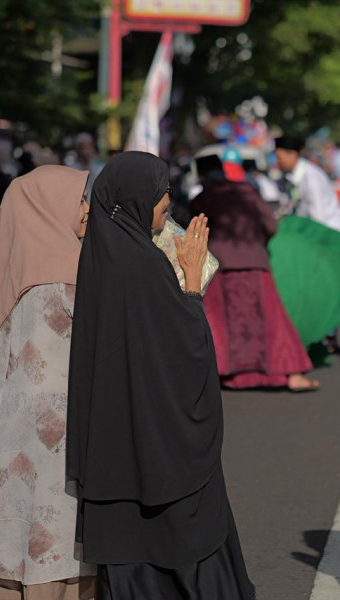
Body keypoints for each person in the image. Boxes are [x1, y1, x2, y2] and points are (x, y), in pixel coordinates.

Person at [66, 151, 253, 599]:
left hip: (113, 452)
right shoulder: (145, 265)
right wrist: (190, 284)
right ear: (133, 200)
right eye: (160, 202)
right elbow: (187, 351)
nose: (165, 208)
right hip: (161, 449)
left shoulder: (99, 260)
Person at [0, 166, 95, 598]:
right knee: (57, 517)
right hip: (59, 426)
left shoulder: (22, 267)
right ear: (49, 207)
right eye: (78, 199)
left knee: (16, 511)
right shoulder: (69, 275)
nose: (86, 209)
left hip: (13, 423)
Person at [189, 165, 320, 392]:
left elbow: (193, 231)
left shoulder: (203, 198)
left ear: (201, 176)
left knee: (219, 322)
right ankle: (293, 374)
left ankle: (217, 374)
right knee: (271, 318)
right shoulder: (248, 191)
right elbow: (270, 225)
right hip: (255, 260)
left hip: (219, 264)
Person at [274, 135, 340, 233]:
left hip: (330, 232)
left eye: (279, 157)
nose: (277, 161)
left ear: (292, 154)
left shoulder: (311, 178)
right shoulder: (292, 176)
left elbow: (318, 218)